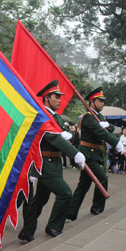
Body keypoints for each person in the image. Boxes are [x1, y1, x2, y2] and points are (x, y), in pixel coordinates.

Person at [19, 80, 86, 242]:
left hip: (53, 164)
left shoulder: (55, 116)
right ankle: (54, 226)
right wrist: (74, 153)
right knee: (65, 194)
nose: (60, 100)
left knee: (40, 200)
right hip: (45, 164)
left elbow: (61, 133)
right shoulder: (42, 116)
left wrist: (66, 134)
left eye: (60, 97)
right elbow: (54, 138)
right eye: (56, 97)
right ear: (47, 98)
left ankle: (27, 231)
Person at [67, 86, 123, 220]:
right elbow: (101, 133)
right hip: (88, 154)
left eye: (103, 101)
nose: (103, 103)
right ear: (92, 102)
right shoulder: (87, 117)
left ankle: (71, 212)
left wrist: (108, 126)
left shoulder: (99, 116)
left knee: (84, 185)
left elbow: (111, 127)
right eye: (100, 101)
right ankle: (97, 207)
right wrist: (116, 142)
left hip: (95, 154)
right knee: (102, 179)